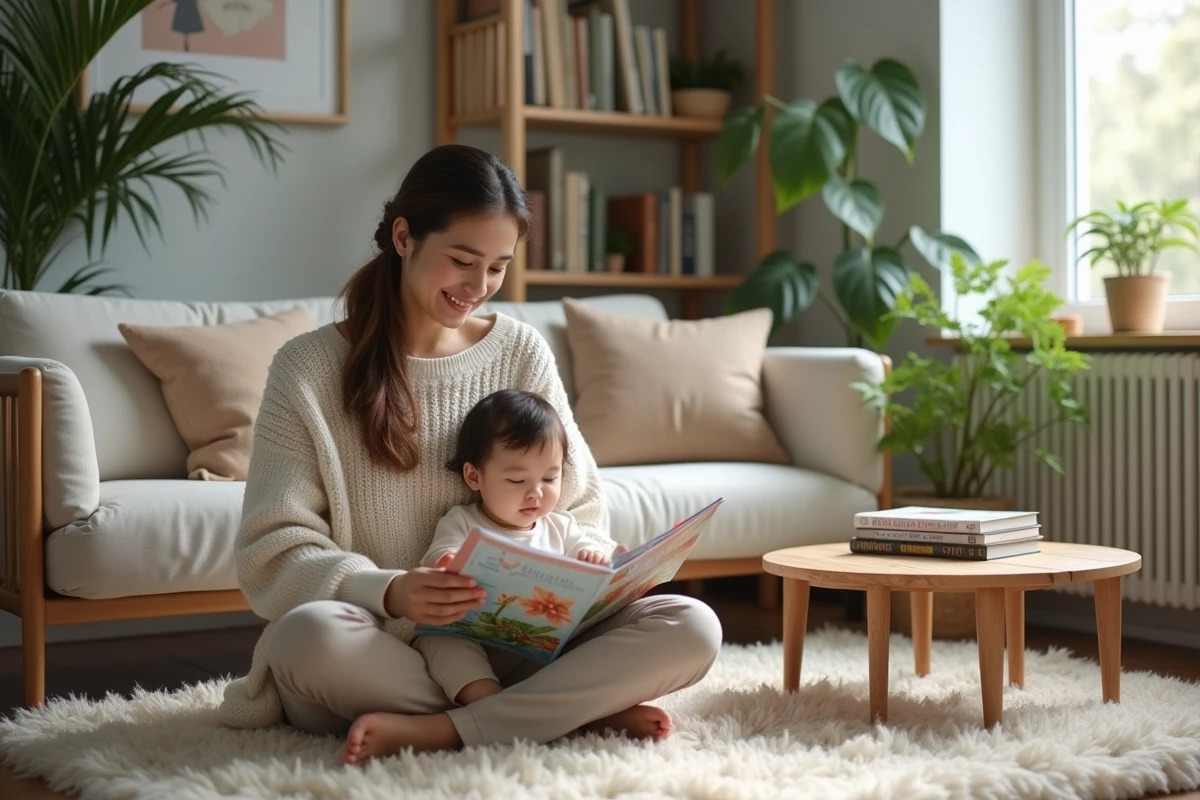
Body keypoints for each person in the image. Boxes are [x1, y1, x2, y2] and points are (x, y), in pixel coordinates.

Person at [217, 143, 723, 765]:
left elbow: (578, 500)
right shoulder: (308, 368)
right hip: (388, 651)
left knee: (692, 624)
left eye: (497, 267)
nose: (477, 287)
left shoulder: (520, 351)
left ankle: (454, 728)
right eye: (462, 260)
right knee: (305, 637)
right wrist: (394, 592)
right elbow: (274, 552)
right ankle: (560, 712)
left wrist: (591, 562)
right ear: (404, 237)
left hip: (526, 644)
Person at [412, 388, 613, 710]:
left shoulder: (561, 526)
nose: (536, 493)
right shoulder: (463, 521)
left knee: (596, 642)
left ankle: (595, 706)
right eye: (517, 481)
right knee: (438, 639)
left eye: (550, 478)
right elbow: (443, 552)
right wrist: (448, 561)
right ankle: (489, 701)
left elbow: (587, 546)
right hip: (478, 637)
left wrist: (593, 556)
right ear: (474, 475)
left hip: (543, 645)